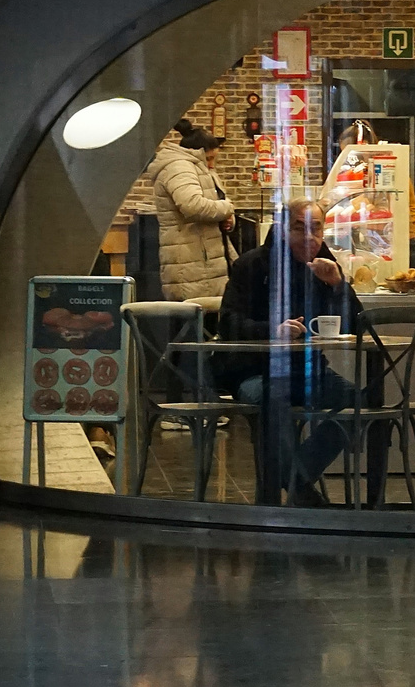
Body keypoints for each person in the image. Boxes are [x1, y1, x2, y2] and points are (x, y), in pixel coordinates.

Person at [216, 198, 382, 507]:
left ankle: (297, 479)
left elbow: (359, 325)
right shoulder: (252, 265)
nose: (309, 237)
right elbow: (228, 323)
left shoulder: (325, 265)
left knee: (361, 403)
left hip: (308, 369)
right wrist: (273, 329)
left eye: (316, 229)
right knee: (272, 397)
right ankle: (302, 491)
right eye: (299, 228)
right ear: (281, 230)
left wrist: (337, 285)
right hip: (253, 371)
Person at [151, 121, 235, 302]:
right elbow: (193, 205)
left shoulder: (198, 168)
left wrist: (228, 219)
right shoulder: (179, 167)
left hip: (205, 258)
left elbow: (215, 202)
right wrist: (228, 208)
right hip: (191, 261)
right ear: (197, 153)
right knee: (195, 321)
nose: (212, 165)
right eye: (210, 158)